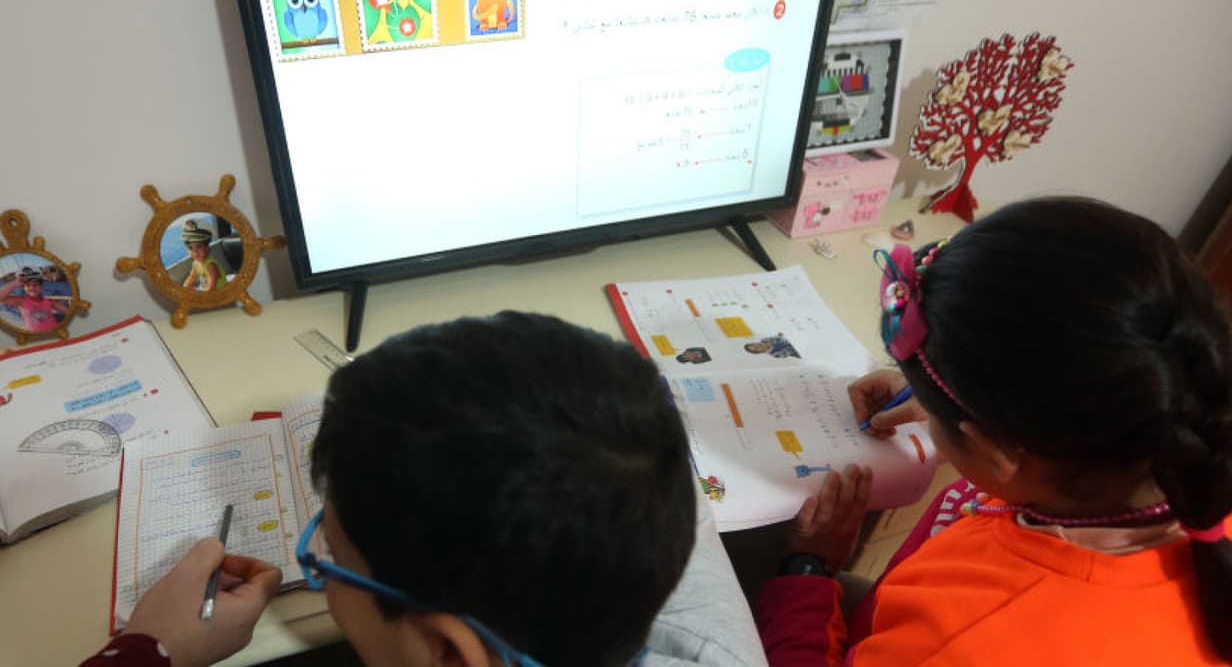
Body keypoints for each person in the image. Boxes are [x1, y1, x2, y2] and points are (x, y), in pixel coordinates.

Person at [755, 197, 1232, 666]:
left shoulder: (958, 639)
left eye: (937, 416)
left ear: (999, 450)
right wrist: (957, 390)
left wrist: (808, 569)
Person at [81, 311, 768, 667]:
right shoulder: (711, 638)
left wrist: (151, 649)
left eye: (328, 559)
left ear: (449, 653)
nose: (320, 564)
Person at [0, 266, 68, 331]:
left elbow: (67, 311)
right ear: (24, 288)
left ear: (41, 287)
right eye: (28, 285)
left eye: (35, 284)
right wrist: (16, 283)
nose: (31, 288)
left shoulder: (49, 301)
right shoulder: (21, 301)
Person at [179, 220, 228, 292]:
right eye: (190, 248)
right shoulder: (196, 263)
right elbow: (191, 277)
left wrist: (197, 292)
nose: (195, 251)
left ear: (208, 249)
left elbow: (211, 288)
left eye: (198, 246)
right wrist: (185, 287)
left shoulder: (211, 266)